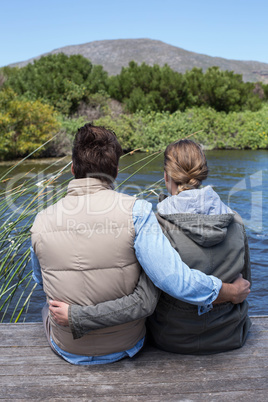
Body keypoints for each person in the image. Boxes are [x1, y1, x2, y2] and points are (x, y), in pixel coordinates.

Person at [32, 125, 250, 365]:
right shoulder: (138, 211)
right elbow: (165, 287)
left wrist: (76, 315)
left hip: (69, 348)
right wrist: (230, 292)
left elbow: (42, 281)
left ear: (73, 168)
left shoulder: (41, 221)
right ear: (116, 170)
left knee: (47, 306)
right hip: (130, 344)